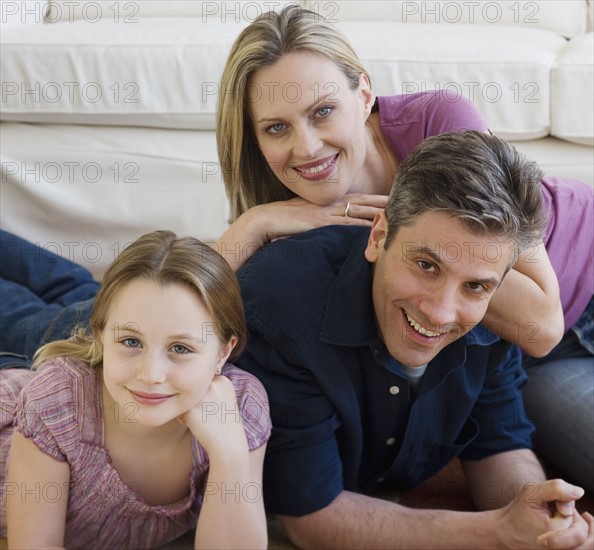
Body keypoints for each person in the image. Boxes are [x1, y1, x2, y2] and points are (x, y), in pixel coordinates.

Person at [215, 5, 593, 491]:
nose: (306, 148)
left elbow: (541, 323)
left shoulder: (437, 120)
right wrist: (256, 220)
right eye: (276, 128)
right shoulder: (281, 213)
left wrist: (404, 231)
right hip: (526, 359)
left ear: (364, 93)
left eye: (323, 111)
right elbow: (189, 310)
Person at [235, 130, 593, 549]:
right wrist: (497, 532)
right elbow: (311, 516)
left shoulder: (493, 303)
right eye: (426, 265)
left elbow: (500, 444)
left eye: (475, 287)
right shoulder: (280, 309)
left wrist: (538, 517)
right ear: (379, 236)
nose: (440, 311)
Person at [0, 230, 271, 549]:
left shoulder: (240, 406)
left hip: (90, 327)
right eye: (131, 342)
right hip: (13, 393)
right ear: (100, 335)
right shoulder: (56, 402)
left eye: (181, 348)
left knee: (66, 287)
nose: (151, 375)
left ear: (223, 353)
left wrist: (230, 455)